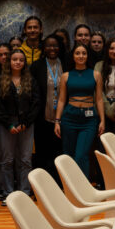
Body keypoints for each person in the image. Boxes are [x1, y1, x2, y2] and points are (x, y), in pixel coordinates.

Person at [0, 50, 40, 201]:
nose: (18, 62)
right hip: (6, 124)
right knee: (7, 160)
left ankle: (25, 192)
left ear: (24, 63)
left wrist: (25, 123)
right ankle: (8, 193)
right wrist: (9, 125)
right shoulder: (1, 81)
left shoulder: (30, 81)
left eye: (21, 60)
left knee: (25, 159)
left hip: (26, 123)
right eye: (14, 59)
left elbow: (36, 104)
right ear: (9, 62)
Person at [54, 44, 105, 177]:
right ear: (73, 56)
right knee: (69, 156)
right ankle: (70, 189)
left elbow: (99, 99)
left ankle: (84, 190)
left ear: (87, 56)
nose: (81, 56)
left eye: (84, 53)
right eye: (77, 53)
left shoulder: (96, 74)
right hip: (69, 118)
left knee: (81, 155)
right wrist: (57, 121)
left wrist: (102, 120)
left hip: (89, 120)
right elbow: (61, 100)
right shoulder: (66, 76)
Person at [31, 34, 65, 180]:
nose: (52, 48)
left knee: (59, 151)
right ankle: (43, 183)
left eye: (55, 45)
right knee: (42, 151)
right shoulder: (36, 66)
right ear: (43, 48)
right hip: (42, 116)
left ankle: (58, 182)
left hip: (63, 116)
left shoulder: (66, 63)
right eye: (49, 45)